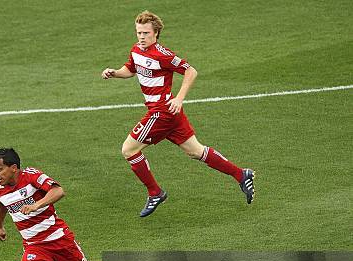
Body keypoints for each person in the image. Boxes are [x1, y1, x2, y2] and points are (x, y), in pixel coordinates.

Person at [102, 11, 255, 217]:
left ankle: (155, 192)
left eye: (146, 33)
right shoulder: (137, 50)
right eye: (139, 32)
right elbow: (130, 69)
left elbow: (191, 71)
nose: (141, 36)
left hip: (162, 112)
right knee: (195, 151)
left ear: (156, 33)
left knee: (129, 150)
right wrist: (114, 73)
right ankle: (241, 174)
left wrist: (180, 97)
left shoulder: (163, 54)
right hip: (170, 114)